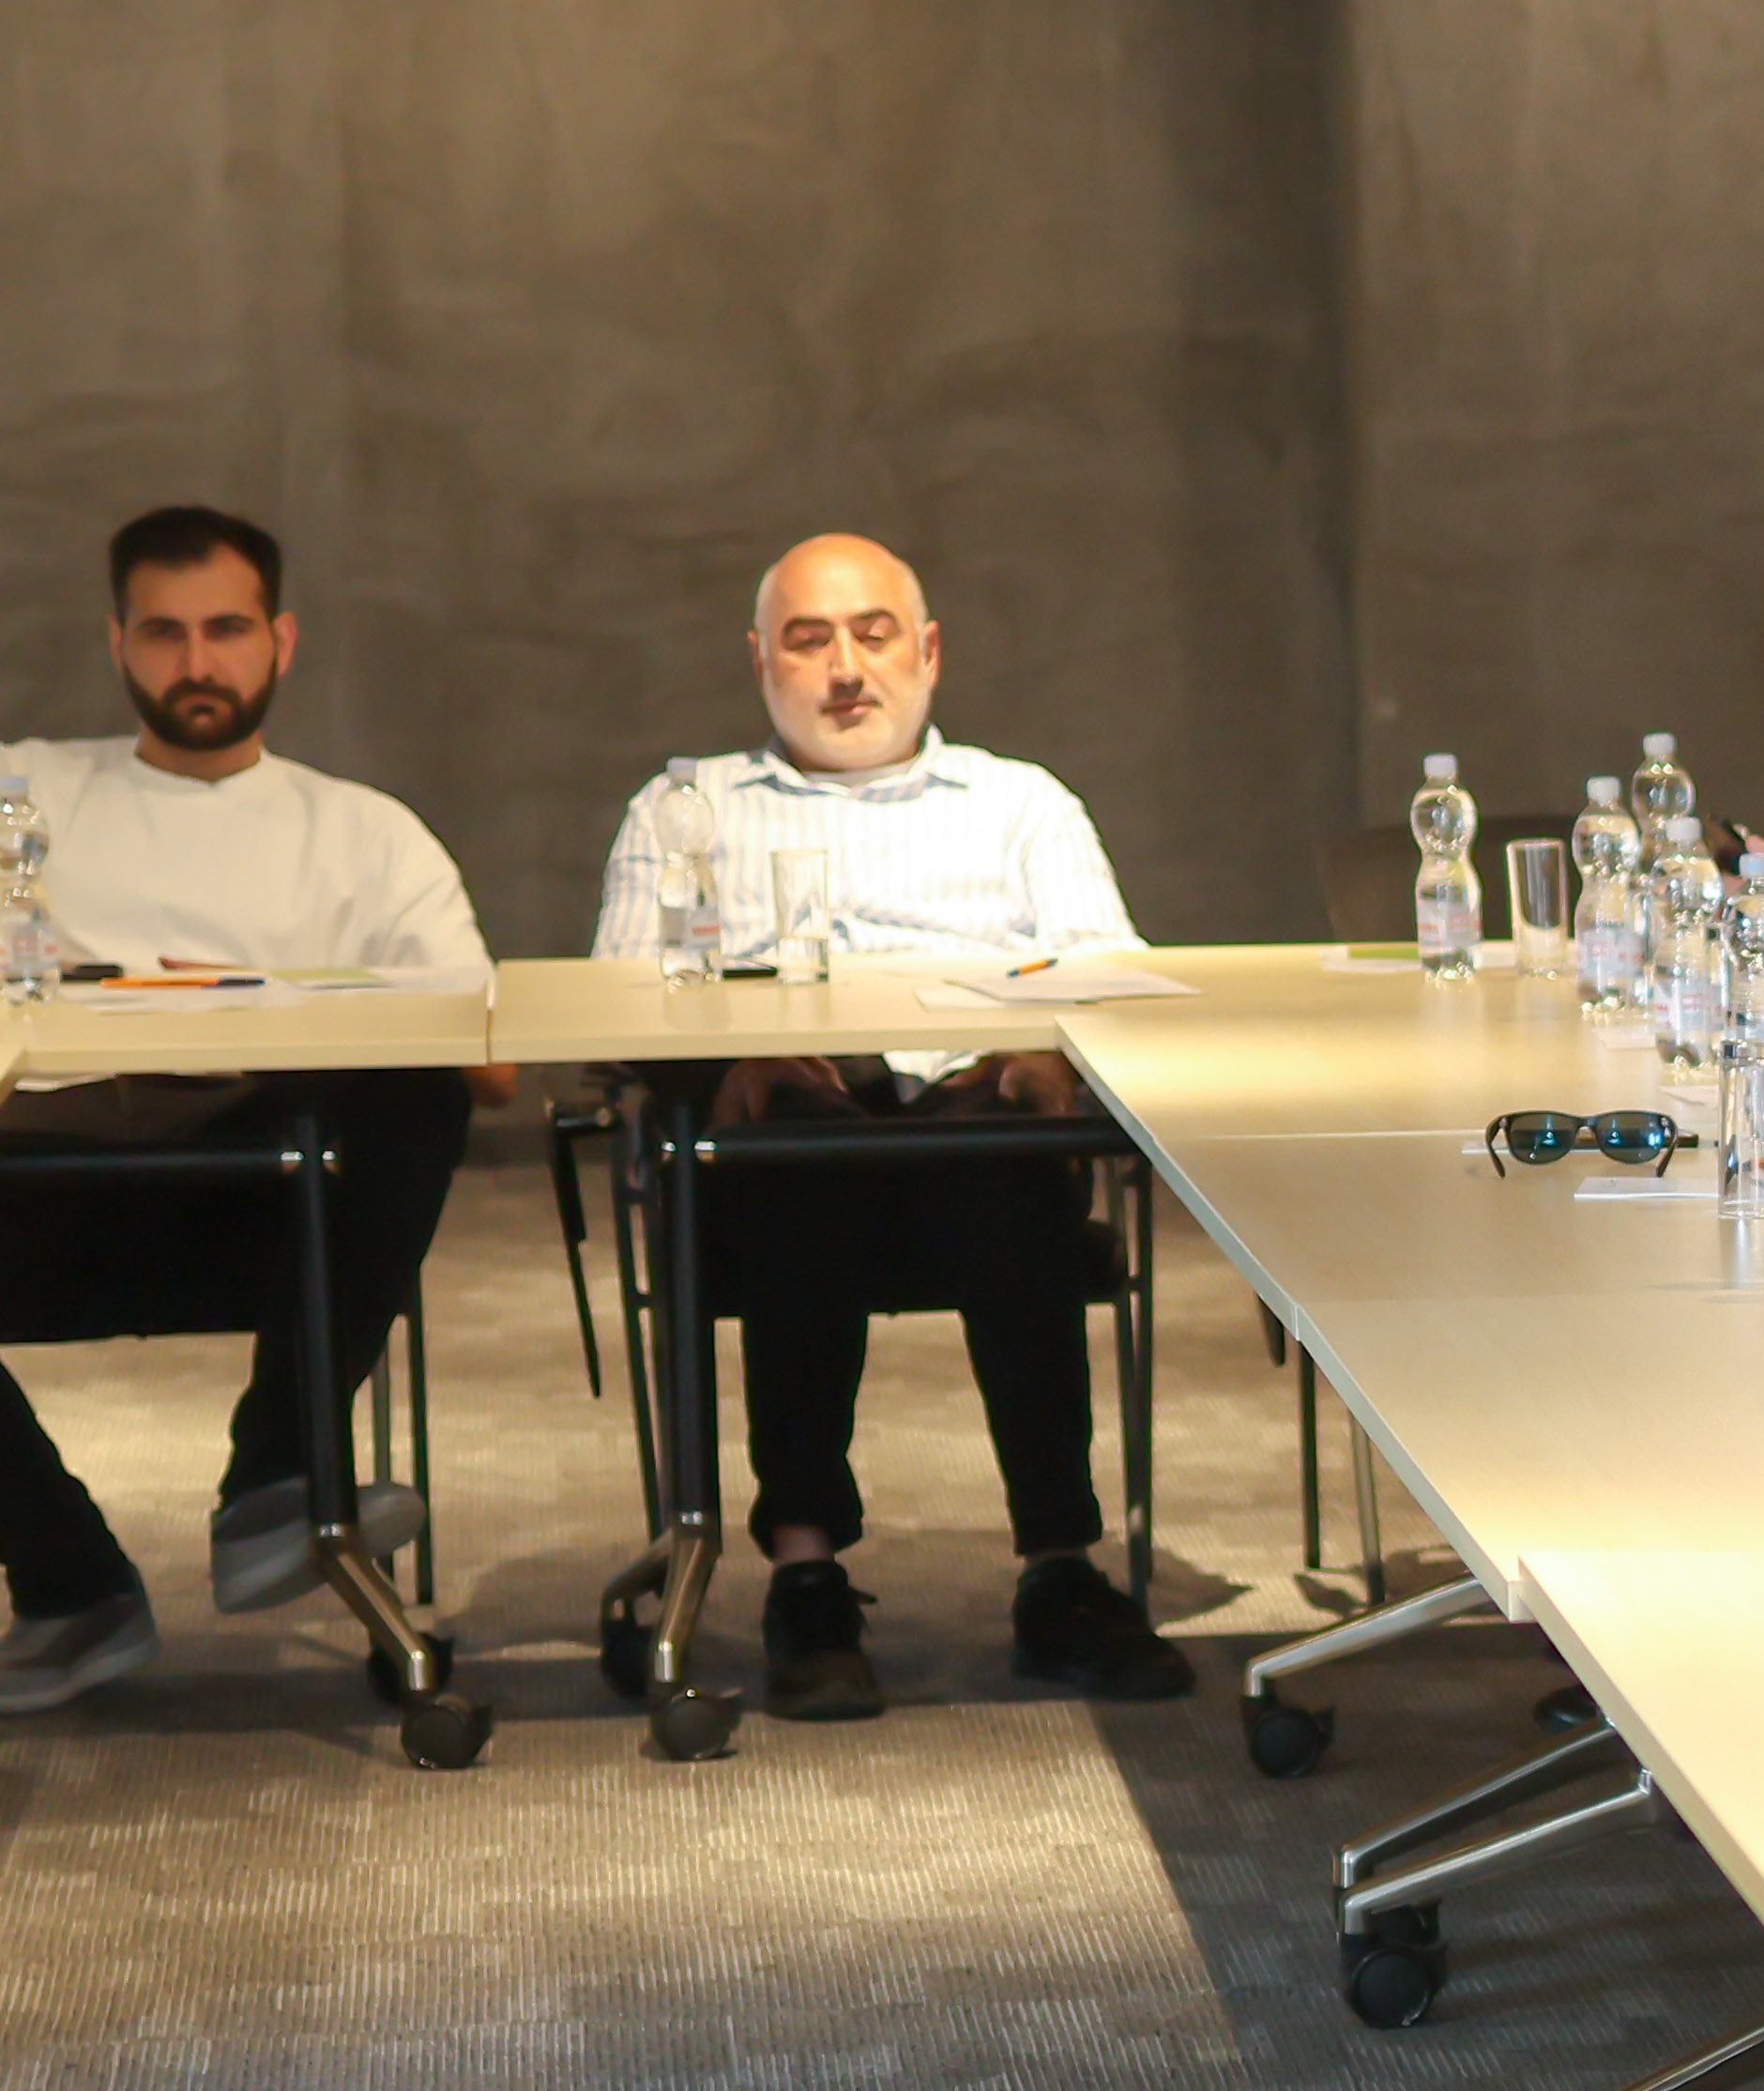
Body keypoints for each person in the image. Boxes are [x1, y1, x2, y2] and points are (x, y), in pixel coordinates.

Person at [589, 532, 1189, 1723]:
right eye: (809, 640)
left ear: (929, 651)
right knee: (802, 1159)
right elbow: (615, 996)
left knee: (1001, 1159)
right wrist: (730, 1057)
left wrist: (1045, 1053)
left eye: (873, 635)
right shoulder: (685, 806)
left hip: (978, 1121)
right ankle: (805, 1576)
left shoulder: (1019, 802)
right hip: (790, 1137)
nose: (846, 669)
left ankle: (1060, 1571)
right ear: (760, 662)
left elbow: (1111, 973)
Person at [0, 504, 488, 1712]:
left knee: (415, 1088)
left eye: (225, 629)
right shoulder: (24, 791)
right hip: (44, 1182)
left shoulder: (364, 832)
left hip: (267, 1210)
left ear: (283, 639)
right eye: (162, 632)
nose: (196, 662)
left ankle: (278, 1479)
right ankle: (68, 1583)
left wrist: (274, 1009)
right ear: (117, 642)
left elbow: (489, 1061)